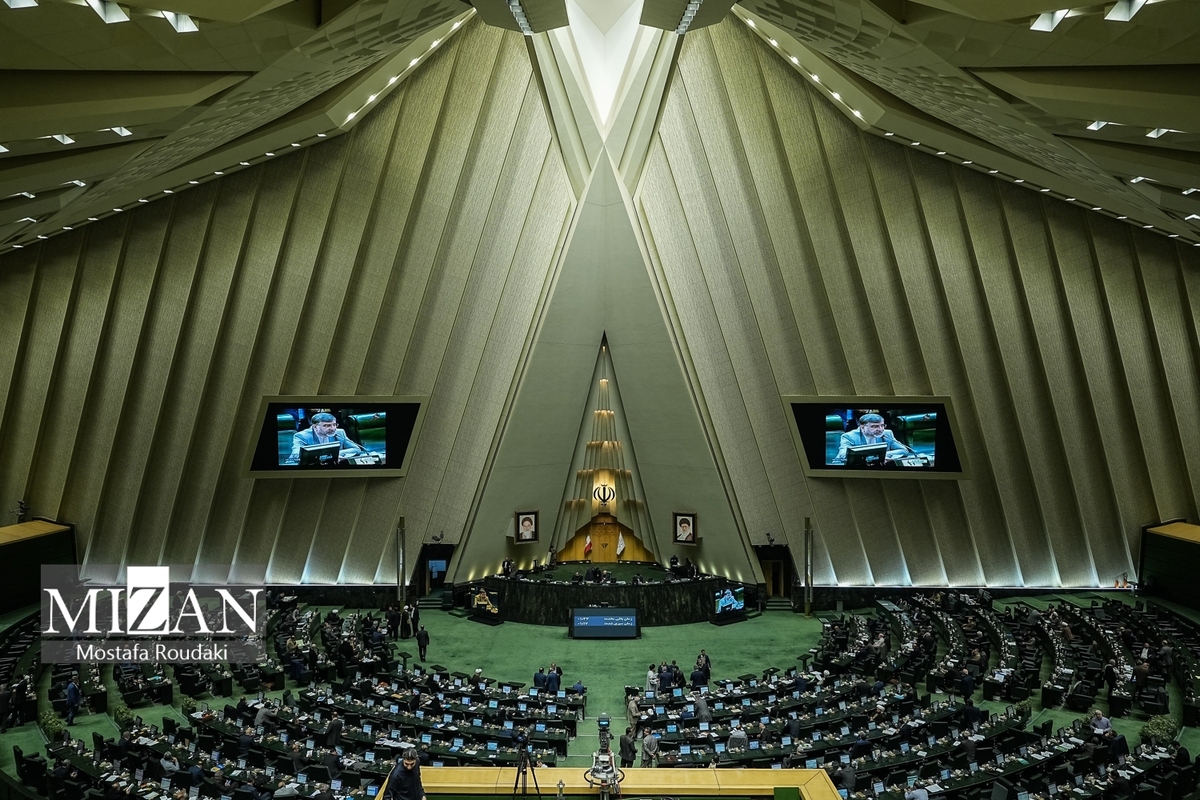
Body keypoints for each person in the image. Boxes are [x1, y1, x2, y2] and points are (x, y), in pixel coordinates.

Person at [831, 412, 916, 465]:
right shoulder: (849, 436)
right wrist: (873, 456)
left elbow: (904, 450)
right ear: (862, 427)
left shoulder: (887, 433)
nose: (880, 429)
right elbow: (842, 455)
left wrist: (884, 455)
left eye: (882, 425)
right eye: (874, 426)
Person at [286, 412, 366, 465]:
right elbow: (295, 455)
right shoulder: (302, 436)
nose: (333, 428)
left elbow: (356, 449)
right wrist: (326, 456)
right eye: (326, 426)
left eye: (334, 424)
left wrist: (338, 454)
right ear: (315, 427)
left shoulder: (339, 432)